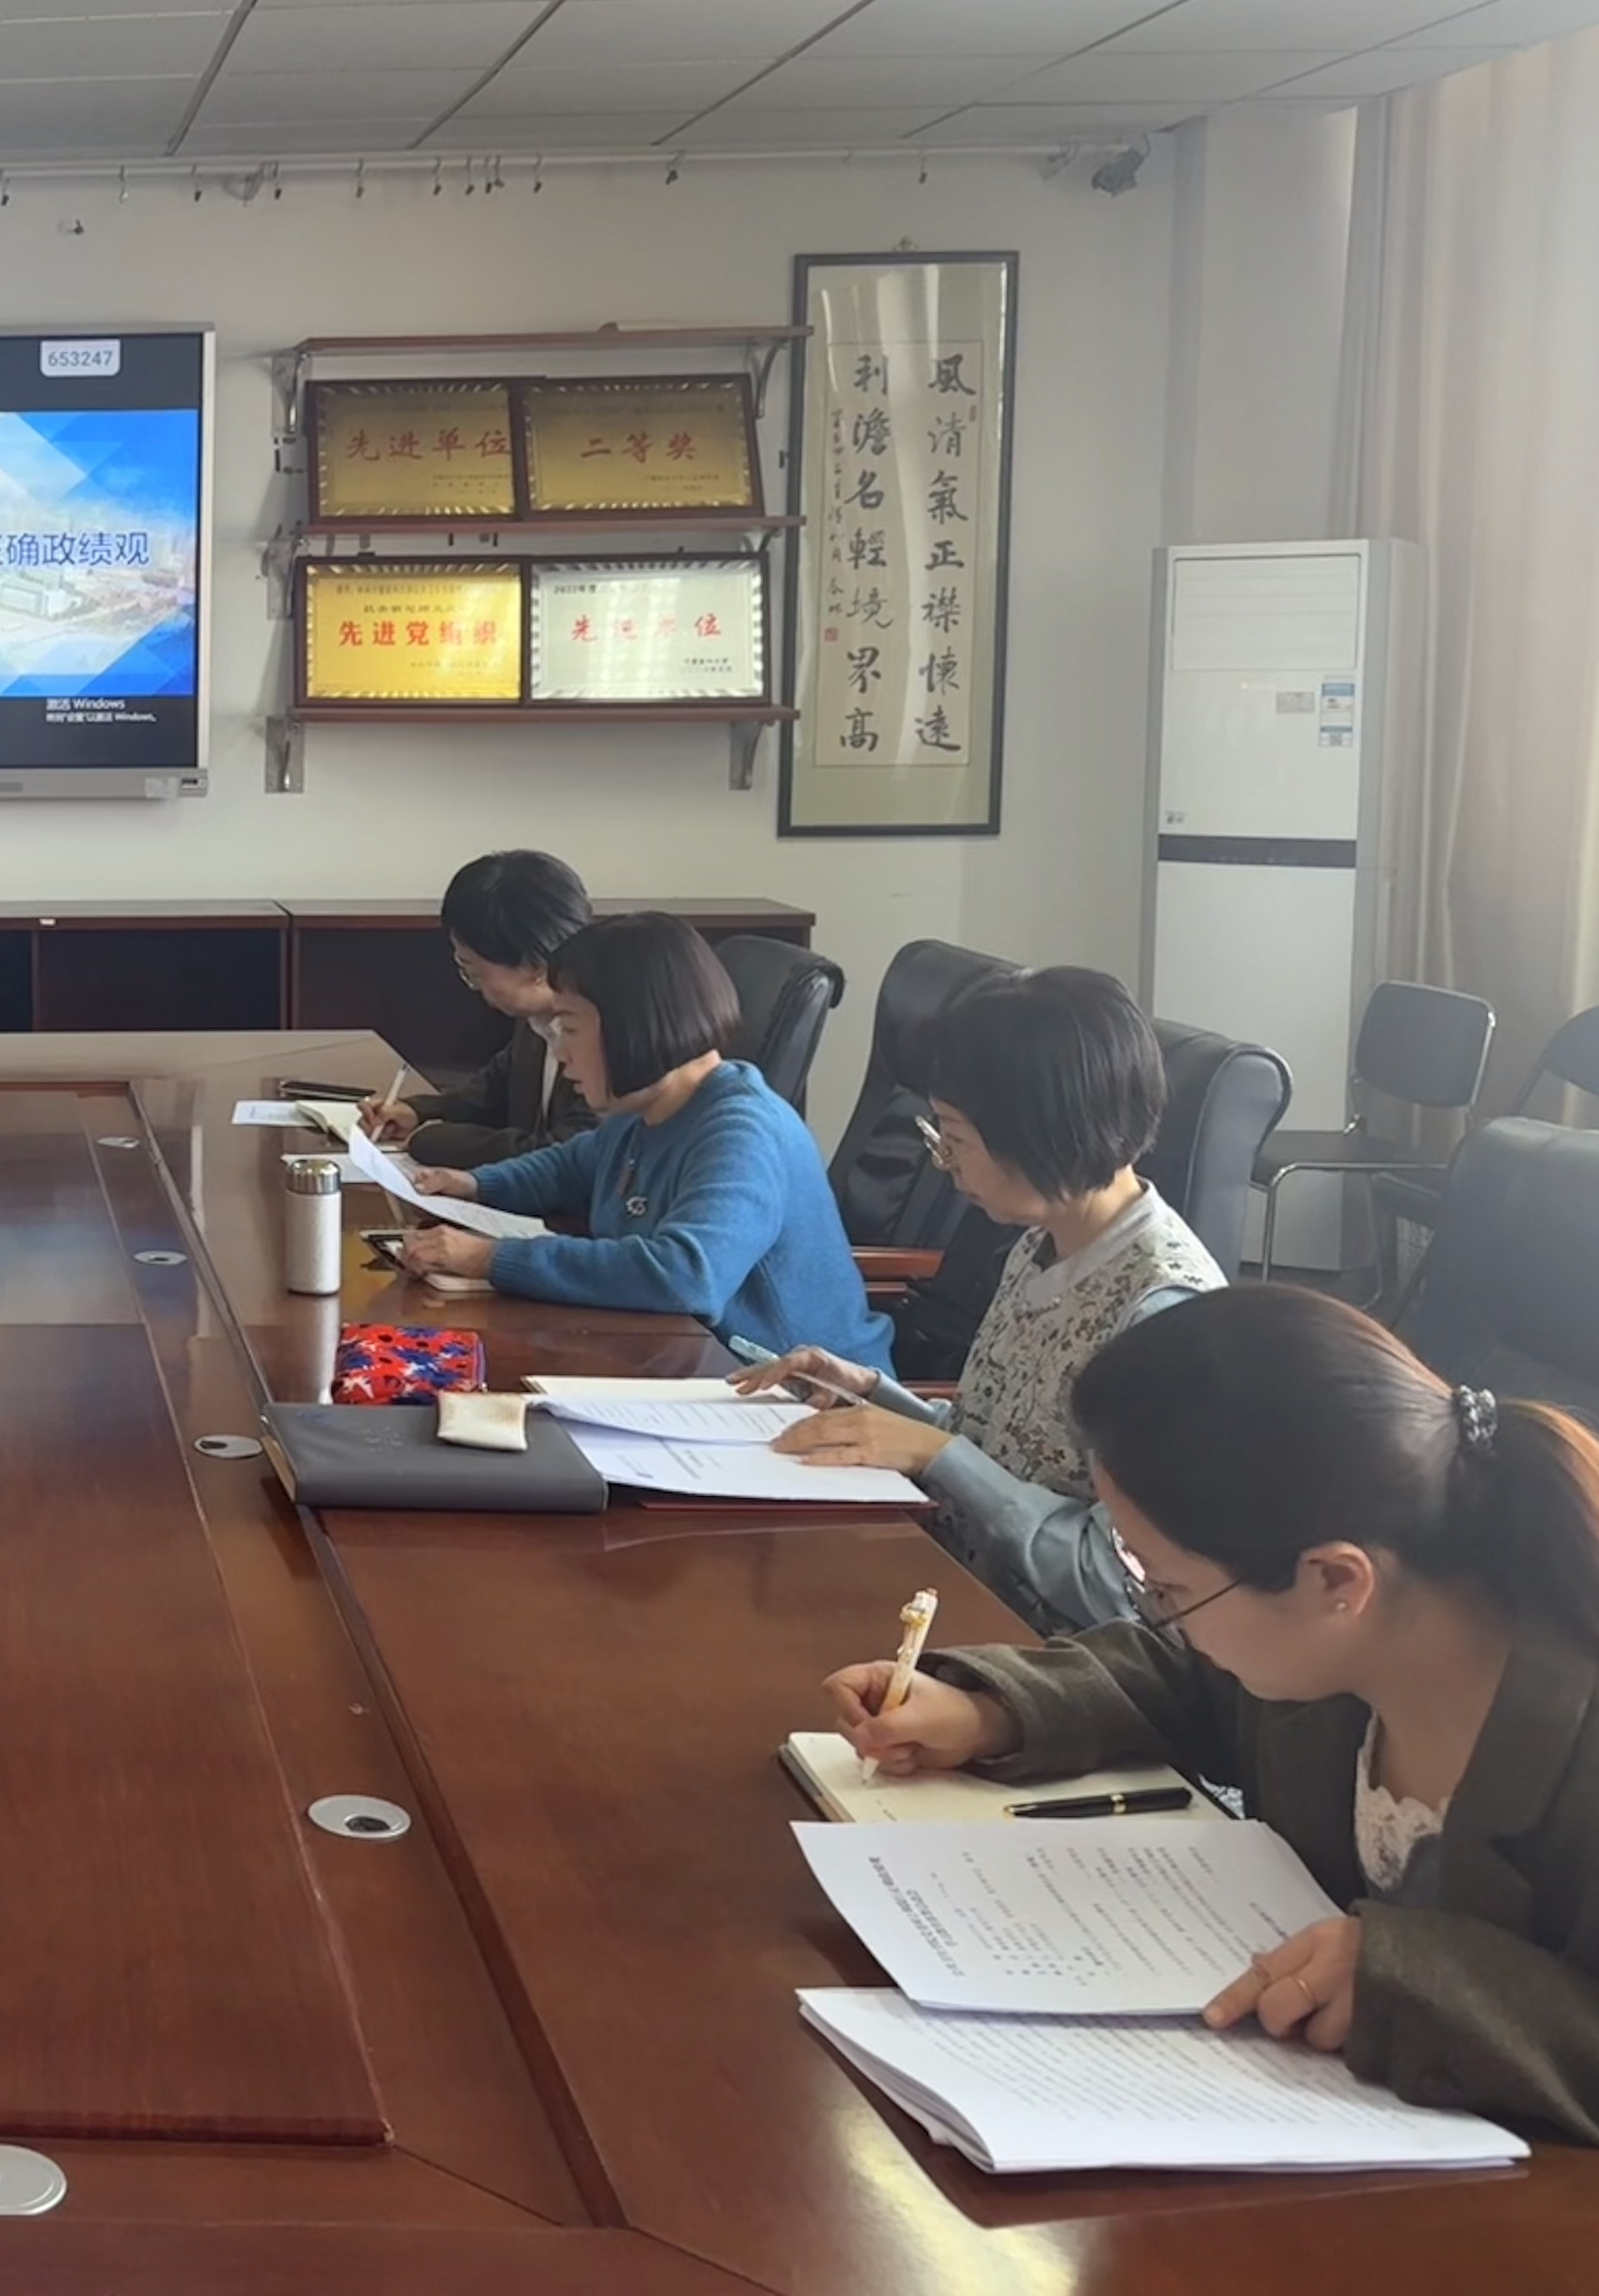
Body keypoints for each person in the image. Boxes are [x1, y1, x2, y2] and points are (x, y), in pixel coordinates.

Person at [830, 1286, 1599, 2142]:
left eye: (1167, 1588)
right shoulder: (1350, 1649)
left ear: (1335, 1580)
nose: (1162, 1614)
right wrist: (992, 1712)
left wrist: (1412, 1979)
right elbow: (1191, 1680)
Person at [747, 968, 1226, 1629]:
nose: (944, 1162)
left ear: (1039, 1132)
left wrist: (936, 1455)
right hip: (947, 1586)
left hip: (1045, 1654)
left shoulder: (1164, 1315)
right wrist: (875, 1397)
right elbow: (1001, 1444)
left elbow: (1118, 1585)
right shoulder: (1043, 1240)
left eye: (956, 1139)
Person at [402, 912, 891, 1370]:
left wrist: (489, 1258)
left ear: (630, 1026)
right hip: (689, 1363)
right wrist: (474, 1184)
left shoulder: (742, 1130)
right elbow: (572, 1167)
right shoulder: (646, 1110)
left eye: (570, 1027)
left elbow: (686, 1275)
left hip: (799, 1396)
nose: (561, 1050)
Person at [362, 850, 598, 1168]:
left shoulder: (608, 1032)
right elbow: (494, 1090)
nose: (473, 987)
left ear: (535, 965)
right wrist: (419, 1111)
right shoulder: (537, 1017)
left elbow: (566, 1153)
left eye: (473, 971)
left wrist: (435, 1141)